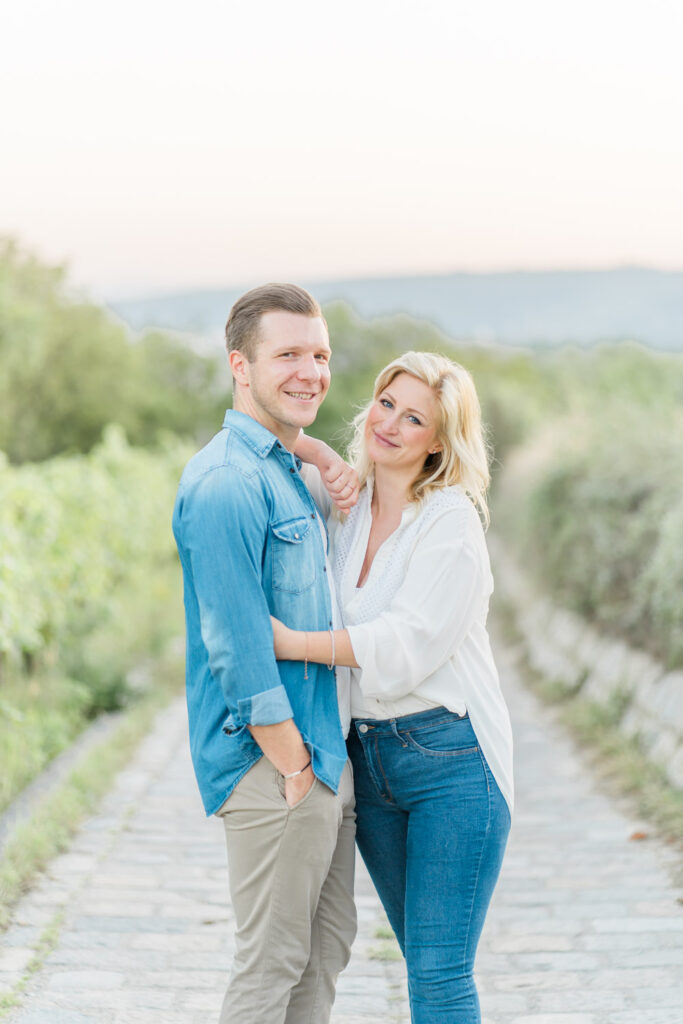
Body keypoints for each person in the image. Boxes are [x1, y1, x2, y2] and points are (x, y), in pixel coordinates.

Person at [273, 350, 514, 1024]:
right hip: (369, 763)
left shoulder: (450, 522)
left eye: (414, 418)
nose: (390, 425)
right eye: (385, 404)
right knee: (424, 963)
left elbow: (405, 646)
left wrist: (292, 646)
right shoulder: (345, 506)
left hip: (451, 762)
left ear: (438, 440)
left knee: (438, 976)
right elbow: (267, 441)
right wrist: (322, 456)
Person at [172, 283, 360, 1024]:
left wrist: (313, 449)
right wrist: (289, 762)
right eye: (287, 354)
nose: (310, 371)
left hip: (320, 750)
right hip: (274, 761)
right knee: (273, 961)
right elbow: (234, 640)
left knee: (324, 948)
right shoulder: (225, 483)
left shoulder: (287, 470)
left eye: (319, 355)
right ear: (239, 367)